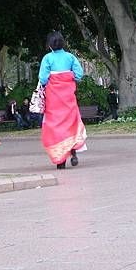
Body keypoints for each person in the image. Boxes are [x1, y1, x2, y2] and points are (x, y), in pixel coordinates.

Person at [39, 31, 86, 169]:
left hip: (53, 100)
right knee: (71, 123)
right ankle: (73, 150)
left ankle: (60, 160)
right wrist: (67, 76)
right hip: (68, 98)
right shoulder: (70, 57)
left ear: (49, 45)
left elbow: (42, 79)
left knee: (55, 127)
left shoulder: (47, 58)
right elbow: (78, 75)